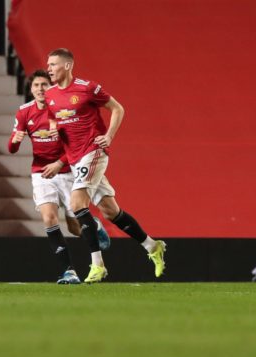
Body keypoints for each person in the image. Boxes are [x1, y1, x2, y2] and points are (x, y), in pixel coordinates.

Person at [45, 48, 166, 283]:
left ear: (68, 66)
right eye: (48, 65)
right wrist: (53, 129)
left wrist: (109, 136)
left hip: (94, 151)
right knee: (111, 211)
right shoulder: (50, 95)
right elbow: (54, 118)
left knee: (77, 202)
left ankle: (97, 265)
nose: (49, 68)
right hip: (75, 157)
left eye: (53, 64)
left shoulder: (87, 88)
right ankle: (153, 246)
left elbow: (117, 108)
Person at [8, 70, 111, 285]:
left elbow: (74, 145)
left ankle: (95, 227)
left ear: (51, 87)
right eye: (36, 85)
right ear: (31, 89)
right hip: (41, 173)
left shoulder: (61, 109)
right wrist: (16, 141)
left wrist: (59, 163)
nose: (40, 89)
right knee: (49, 218)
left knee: (75, 227)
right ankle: (68, 271)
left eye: (44, 85)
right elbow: (11, 148)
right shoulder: (24, 112)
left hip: (66, 170)